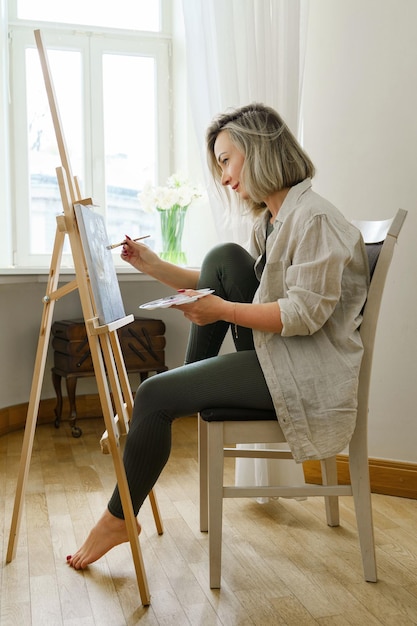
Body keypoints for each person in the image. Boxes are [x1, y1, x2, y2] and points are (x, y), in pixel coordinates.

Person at [67, 103, 369, 569]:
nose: (224, 177)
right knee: (223, 257)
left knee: (154, 393)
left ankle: (119, 516)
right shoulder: (273, 219)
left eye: (227, 160)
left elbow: (305, 314)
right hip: (280, 356)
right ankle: (163, 401)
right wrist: (152, 265)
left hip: (301, 372)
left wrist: (221, 310)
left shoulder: (315, 219)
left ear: (260, 150)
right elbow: (223, 283)